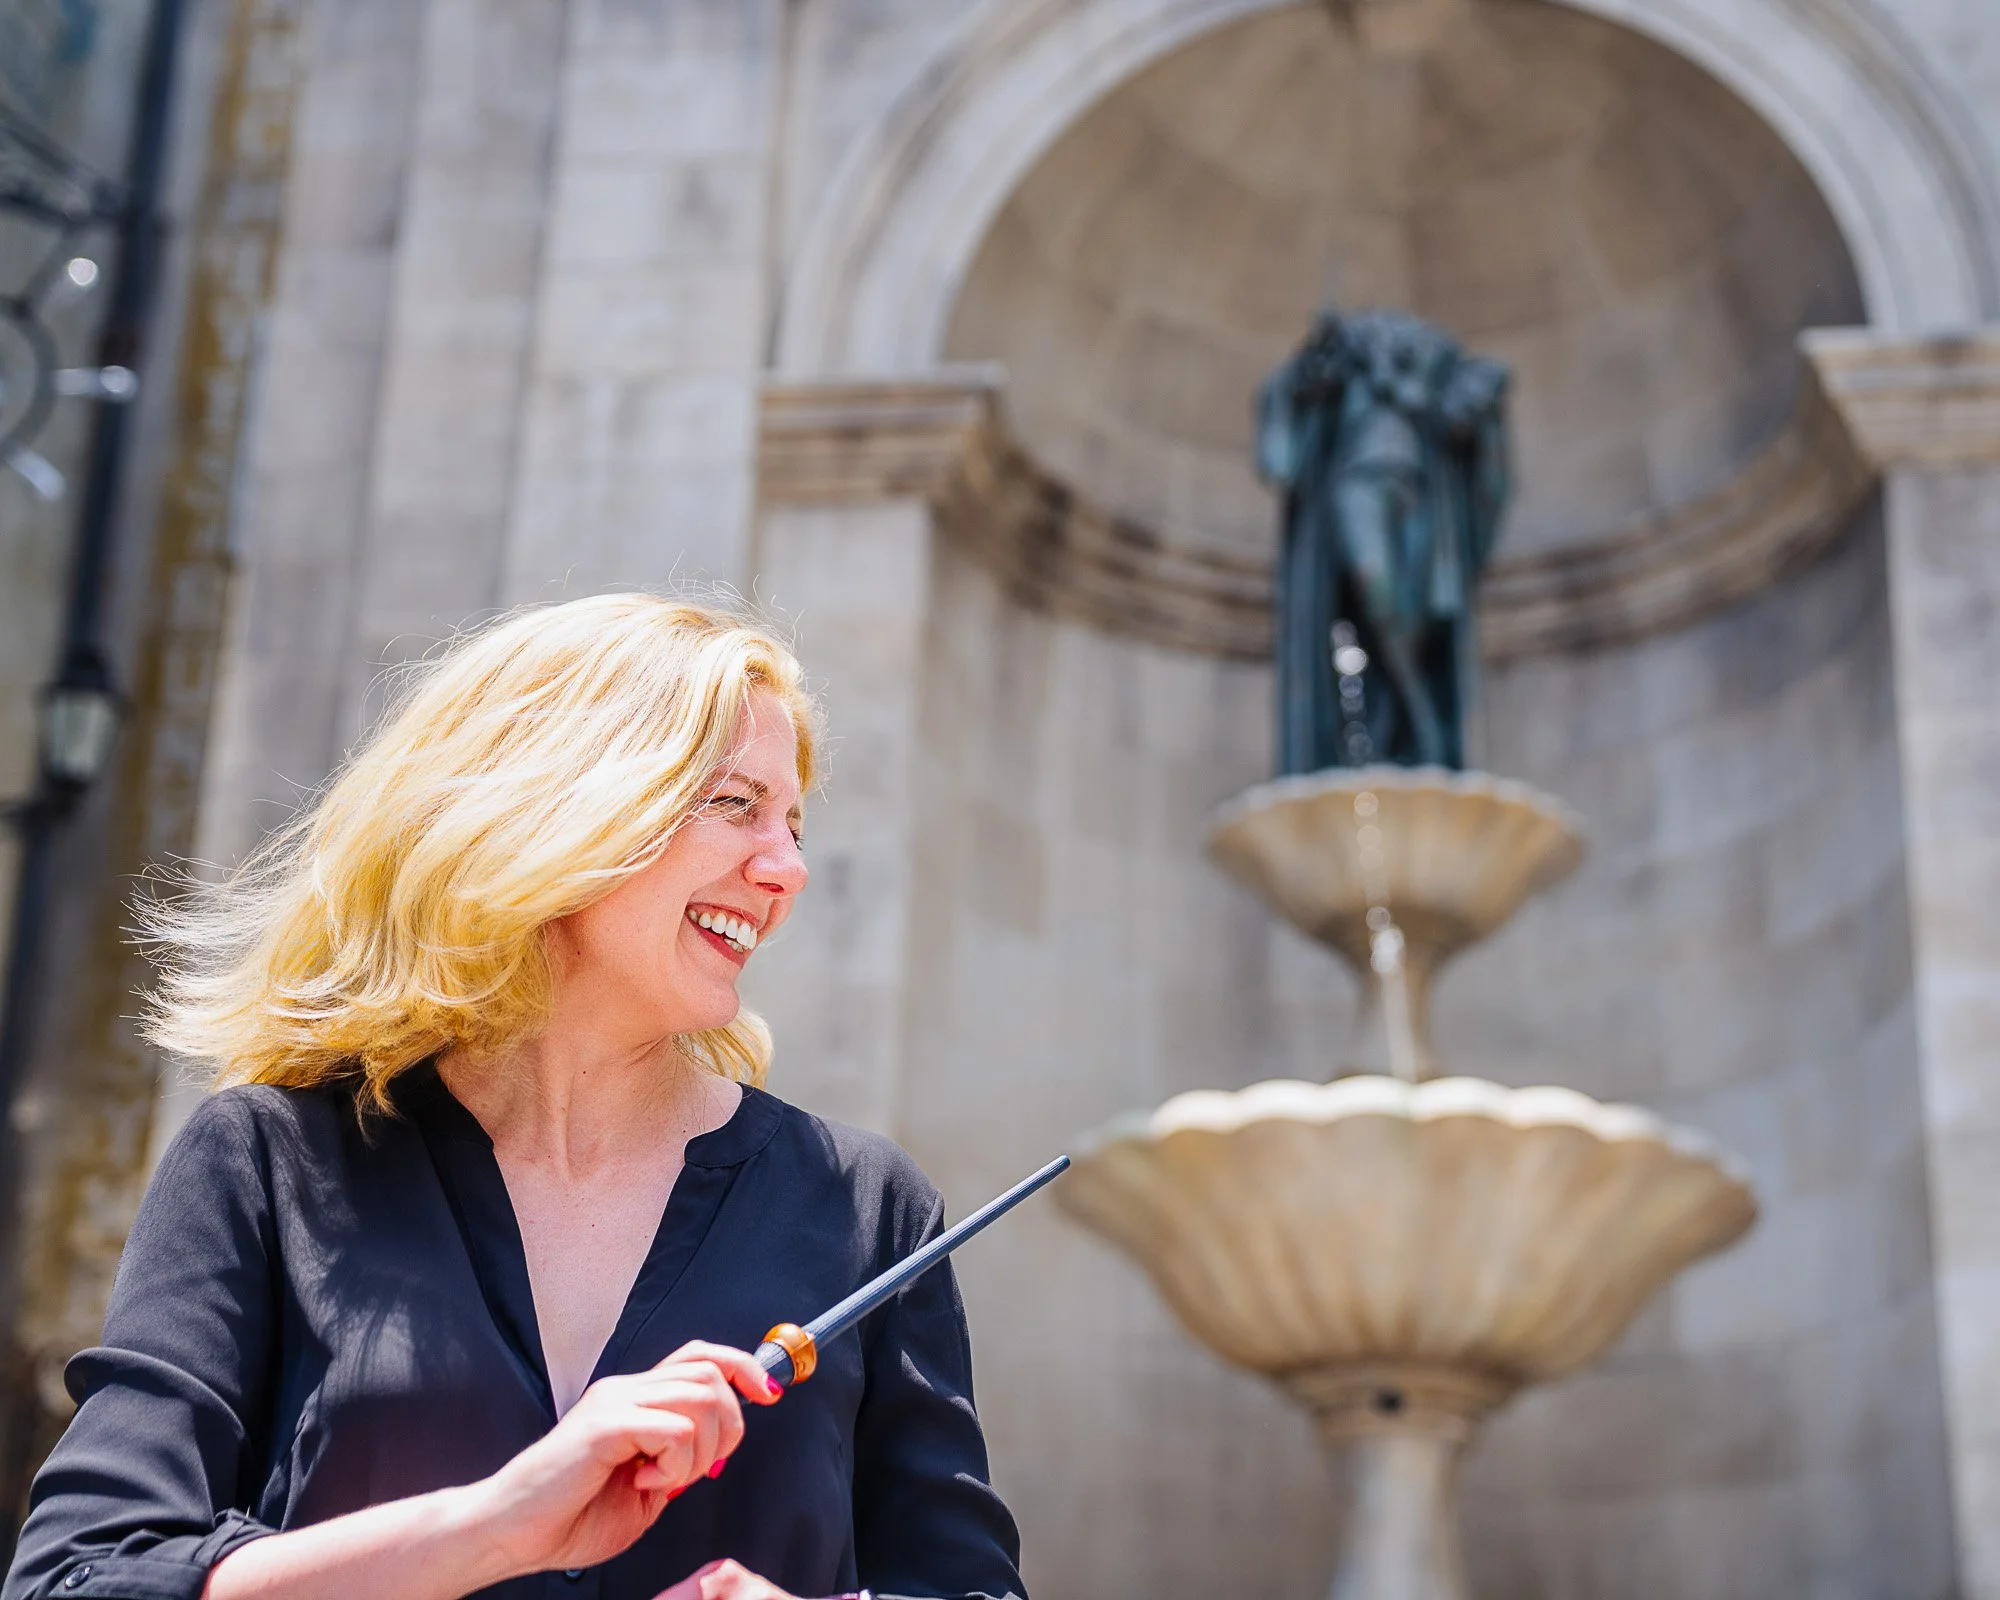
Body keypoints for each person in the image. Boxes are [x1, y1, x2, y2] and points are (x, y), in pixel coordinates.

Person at [2, 596, 1025, 1600]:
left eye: (793, 822)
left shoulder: (865, 1209)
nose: (788, 870)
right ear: (558, 806)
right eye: (734, 804)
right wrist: (496, 1523)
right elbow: (78, 1578)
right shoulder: (268, 1163)